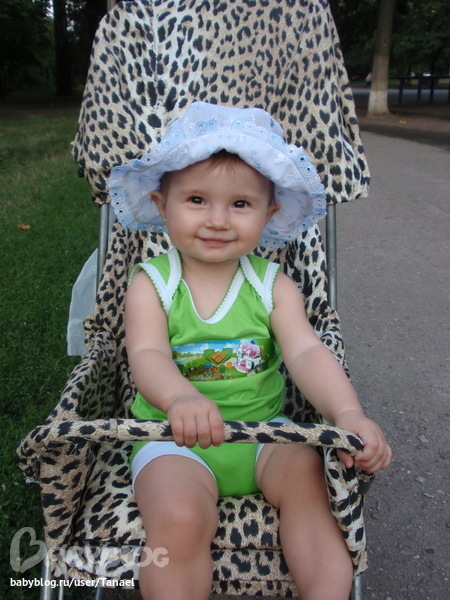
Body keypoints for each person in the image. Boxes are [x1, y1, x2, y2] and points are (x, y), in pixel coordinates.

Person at [109, 102, 392, 600]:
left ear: (269, 213)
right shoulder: (152, 284)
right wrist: (180, 398)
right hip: (173, 440)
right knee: (179, 517)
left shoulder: (272, 285)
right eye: (197, 199)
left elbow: (305, 353)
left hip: (264, 434)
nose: (218, 220)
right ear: (162, 204)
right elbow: (148, 354)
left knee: (310, 485)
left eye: (240, 204)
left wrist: (348, 412)